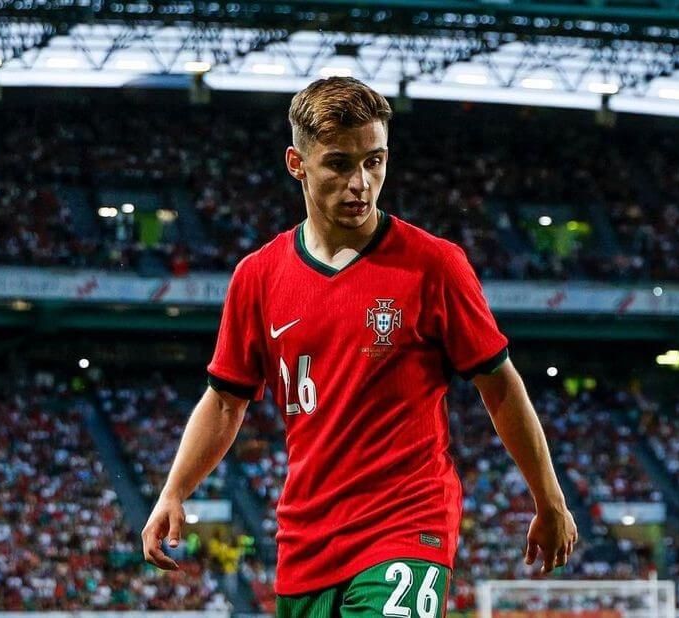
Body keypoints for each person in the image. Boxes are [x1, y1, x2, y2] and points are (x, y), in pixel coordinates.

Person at [141, 76, 578, 616]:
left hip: (406, 525)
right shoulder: (257, 277)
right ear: (297, 164)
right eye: (340, 164)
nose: (361, 183)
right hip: (307, 542)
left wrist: (549, 497)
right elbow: (226, 399)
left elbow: (500, 384)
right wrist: (174, 490)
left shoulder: (434, 265)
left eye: (375, 161)